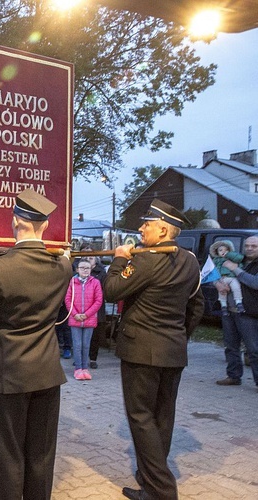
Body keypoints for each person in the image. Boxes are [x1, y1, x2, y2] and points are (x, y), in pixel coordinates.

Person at [0, 189, 72, 499]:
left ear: (15, 222)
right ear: (43, 226)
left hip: (7, 371)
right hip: (46, 370)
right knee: (40, 455)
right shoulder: (62, 267)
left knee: (8, 456)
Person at [104, 199, 203, 500]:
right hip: (172, 350)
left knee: (141, 416)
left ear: (163, 229)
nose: (141, 228)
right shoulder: (190, 261)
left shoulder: (146, 260)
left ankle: (160, 489)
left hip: (141, 351)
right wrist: (178, 336)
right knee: (162, 416)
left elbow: (111, 290)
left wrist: (120, 259)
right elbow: (196, 307)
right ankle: (150, 473)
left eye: (147, 224)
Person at [214, 235, 258, 387]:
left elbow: (255, 283)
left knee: (253, 349)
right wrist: (217, 284)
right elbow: (217, 272)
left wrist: (236, 270)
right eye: (247, 246)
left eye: (254, 246)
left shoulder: (238, 264)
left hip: (248, 313)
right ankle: (233, 376)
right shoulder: (238, 259)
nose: (249, 249)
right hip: (229, 311)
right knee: (231, 346)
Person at [65, 260, 103, 380]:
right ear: (77, 269)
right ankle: (78, 369)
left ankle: (85, 368)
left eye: (87, 268)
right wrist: (75, 314)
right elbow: (67, 299)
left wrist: (86, 315)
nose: (85, 270)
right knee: (77, 345)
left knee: (86, 345)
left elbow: (98, 301)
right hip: (75, 318)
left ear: (91, 269)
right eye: (82, 268)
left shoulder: (95, 282)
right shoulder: (72, 282)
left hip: (89, 319)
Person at [209, 240, 245, 315]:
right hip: (222, 279)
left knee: (236, 288)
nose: (223, 252)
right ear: (217, 252)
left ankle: (239, 303)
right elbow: (212, 270)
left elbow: (239, 258)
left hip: (232, 278)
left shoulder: (232, 258)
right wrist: (217, 281)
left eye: (226, 250)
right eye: (220, 250)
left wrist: (229, 254)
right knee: (222, 292)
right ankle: (223, 306)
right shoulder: (216, 260)